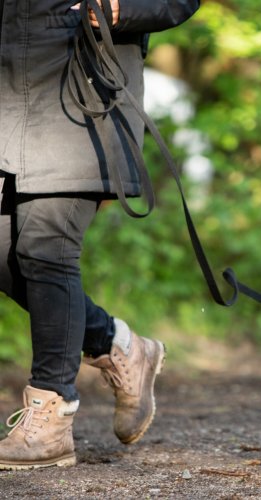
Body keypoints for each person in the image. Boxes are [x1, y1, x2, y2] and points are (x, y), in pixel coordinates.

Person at [0, 0, 200, 469]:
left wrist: (124, 7)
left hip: (80, 88)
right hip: (9, 89)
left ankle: (50, 419)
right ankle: (118, 344)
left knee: (45, 247)